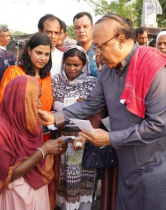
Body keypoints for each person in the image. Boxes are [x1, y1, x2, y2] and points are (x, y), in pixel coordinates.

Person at [38, 14, 166, 210]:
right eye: (95, 48)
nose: (97, 55)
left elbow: (158, 126)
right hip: (127, 160)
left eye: (100, 47)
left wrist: (110, 139)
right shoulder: (108, 71)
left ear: (120, 40)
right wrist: (55, 117)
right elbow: (91, 103)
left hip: (158, 164)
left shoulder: (155, 69)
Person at [0, 75, 67, 210]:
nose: (40, 104)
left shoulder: (29, 121)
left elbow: (38, 162)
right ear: (20, 100)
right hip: (13, 196)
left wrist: (54, 150)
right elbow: (7, 175)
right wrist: (44, 151)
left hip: (37, 189)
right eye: (36, 98)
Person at [51, 46, 98, 210]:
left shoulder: (92, 83)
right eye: (68, 64)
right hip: (60, 137)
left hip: (82, 137)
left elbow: (97, 109)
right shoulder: (55, 81)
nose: (71, 69)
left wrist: (83, 105)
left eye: (76, 65)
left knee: (80, 179)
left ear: (84, 65)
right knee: (60, 176)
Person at [0, 32, 53, 119]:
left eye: (47, 54)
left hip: (43, 131)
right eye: (38, 53)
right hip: (16, 131)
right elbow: (1, 107)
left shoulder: (47, 75)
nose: (43, 58)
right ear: (29, 51)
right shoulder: (14, 73)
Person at [73, 12, 98, 78]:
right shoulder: (70, 53)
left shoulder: (101, 51)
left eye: (85, 27)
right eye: (77, 28)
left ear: (92, 27)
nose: (81, 30)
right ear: (74, 30)